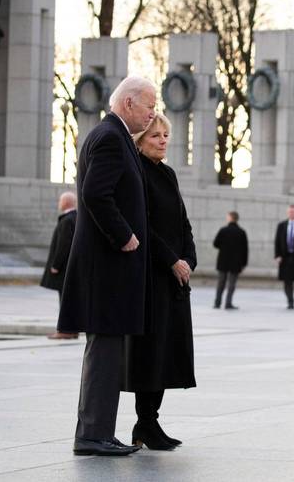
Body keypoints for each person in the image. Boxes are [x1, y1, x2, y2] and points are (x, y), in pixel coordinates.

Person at [57, 76, 156, 457]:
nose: (152, 112)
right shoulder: (111, 138)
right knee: (104, 352)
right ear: (128, 103)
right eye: (149, 104)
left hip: (110, 269)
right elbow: (96, 194)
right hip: (108, 267)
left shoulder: (111, 135)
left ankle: (98, 431)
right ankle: (92, 435)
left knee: (107, 351)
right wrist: (124, 236)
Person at [123, 113, 196, 451]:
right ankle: (146, 421)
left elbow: (182, 223)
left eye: (166, 135)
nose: (164, 141)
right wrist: (171, 260)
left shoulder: (168, 173)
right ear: (139, 140)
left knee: (168, 351)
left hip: (175, 278)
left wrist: (188, 260)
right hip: (153, 275)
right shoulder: (137, 172)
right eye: (156, 136)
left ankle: (148, 422)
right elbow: (142, 225)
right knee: (151, 352)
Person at [40, 191, 78, 340]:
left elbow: (63, 245)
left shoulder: (67, 220)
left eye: (60, 201)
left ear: (66, 203)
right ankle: (72, 329)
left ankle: (65, 330)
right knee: (70, 300)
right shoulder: (76, 218)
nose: (59, 203)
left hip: (64, 270)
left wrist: (56, 265)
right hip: (72, 268)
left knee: (64, 300)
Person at [212, 212, 248, 310]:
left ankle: (217, 303)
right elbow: (245, 250)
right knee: (232, 284)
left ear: (231, 218)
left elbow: (215, 244)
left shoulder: (223, 230)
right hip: (236, 263)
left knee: (221, 283)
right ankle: (228, 303)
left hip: (223, 261)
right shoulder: (241, 232)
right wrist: (244, 263)